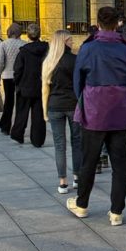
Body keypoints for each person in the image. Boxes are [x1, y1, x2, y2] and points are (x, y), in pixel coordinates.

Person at [68, 5, 126, 225]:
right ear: (117, 23)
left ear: (98, 22)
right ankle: (116, 212)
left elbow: (77, 82)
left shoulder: (88, 48)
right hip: (120, 112)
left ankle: (82, 205)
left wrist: (86, 100)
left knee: (89, 160)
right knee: (120, 164)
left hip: (94, 111)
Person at [42, 30, 83, 194]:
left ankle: (62, 182)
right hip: (73, 105)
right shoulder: (75, 60)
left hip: (54, 105)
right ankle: (77, 178)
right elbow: (81, 85)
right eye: (70, 40)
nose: (73, 43)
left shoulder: (49, 61)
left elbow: (45, 89)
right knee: (77, 142)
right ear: (64, 42)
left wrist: (44, 111)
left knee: (60, 145)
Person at [10, 24, 49, 147]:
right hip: (41, 86)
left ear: (27, 35)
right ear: (39, 34)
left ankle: (18, 134)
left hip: (25, 85)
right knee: (38, 114)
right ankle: (38, 139)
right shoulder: (47, 49)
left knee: (22, 112)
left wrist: (17, 82)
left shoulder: (24, 51)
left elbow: (18, 69)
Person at [0, 23, 24, 136]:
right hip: (20, 75)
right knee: (20, 101)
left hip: (7, 75)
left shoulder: (3, 44)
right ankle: (18, 126)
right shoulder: (24, 44)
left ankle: (5, 126)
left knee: (9, 100)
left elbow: (0, 62)